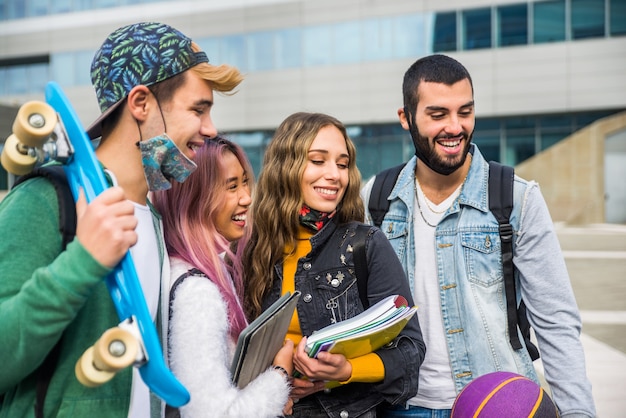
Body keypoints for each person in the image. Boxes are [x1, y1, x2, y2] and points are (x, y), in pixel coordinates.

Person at [0, 22, 242, 417]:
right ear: (141, 103)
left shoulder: (155, 219)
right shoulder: (46, 199)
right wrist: (82, 263)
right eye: (198, 109)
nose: (210, 130)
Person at [361, 54, 596, 417]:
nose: (455, 127)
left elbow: (556, 322)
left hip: (498, 405)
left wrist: (579, 413)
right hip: (398, 405)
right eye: (438, 115)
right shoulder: (376, 198)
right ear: (406, 118)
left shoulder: (516, 198)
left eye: (465, 111)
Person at [243, 112, 426, 418]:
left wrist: (346, 370)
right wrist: (273, 379)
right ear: (285, 166)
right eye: (318, 161)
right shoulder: (251, 248)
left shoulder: (365, 245)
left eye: (342, 164)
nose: (335, 175)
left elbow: (410, 350)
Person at [151, 138, 294, 417]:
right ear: (194, 197)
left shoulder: (196, 271)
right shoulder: (196, 291)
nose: (246, 197)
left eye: (244, 182)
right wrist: (279, 375)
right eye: (231, 186)